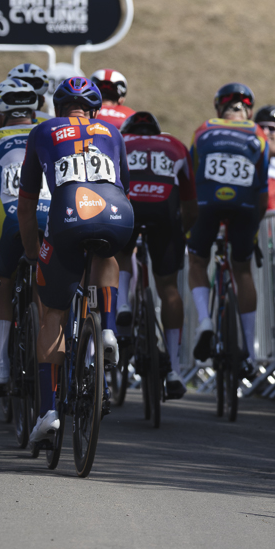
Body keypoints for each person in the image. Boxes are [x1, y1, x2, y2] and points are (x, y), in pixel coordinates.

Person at [18, 76, 134, 448]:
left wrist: (34, 250)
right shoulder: (112, 132)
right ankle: (109, 329)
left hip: (67, 217)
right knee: (107, 253)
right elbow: (124, 185)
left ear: (57, 107)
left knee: (52, 310)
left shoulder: (43, 131)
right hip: (117, 214)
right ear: (94, 110)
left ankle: (48, 413)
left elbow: (26, 201)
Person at [116, 111, 198, 396]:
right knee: (169, 288)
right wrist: (182, 232)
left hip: (129, 209)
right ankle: (174, 369)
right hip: (165, 215)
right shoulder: (175, 145)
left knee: (122, 253)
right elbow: (189, 201)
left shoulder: (119, 140)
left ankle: (123, 307)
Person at [187, 83, 268, 369]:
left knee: (197, 261)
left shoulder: (203, 129)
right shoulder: (258, 134)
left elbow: (190, 175)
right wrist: (255, 224)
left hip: (207, 204)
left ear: (218, 107)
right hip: (245, 207)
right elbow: (263, 191)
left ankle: (205, 322)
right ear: (248, 110)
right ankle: (251, 350)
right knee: (242, 268)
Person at [0, 77, 48, 393]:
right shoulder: (48, 133)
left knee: (1, 281)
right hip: (53, 216)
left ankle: (1, 368)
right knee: (47, 281)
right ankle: (45, 352)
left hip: (9, 219)